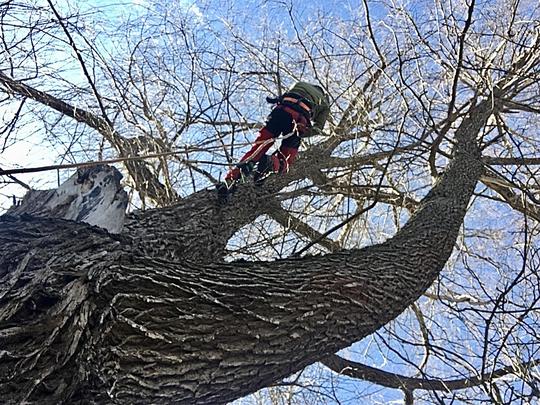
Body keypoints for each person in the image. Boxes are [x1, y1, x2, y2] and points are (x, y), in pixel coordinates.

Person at [220, 81, 330, 190]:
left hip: (281, 111)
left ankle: (232, 177)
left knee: (259, 146)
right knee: (287, 158)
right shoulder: (324, 102)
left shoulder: (299, 84)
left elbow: (283, 97)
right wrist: (303, 132)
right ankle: (271, 164)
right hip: (299, 118)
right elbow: (318, 128)